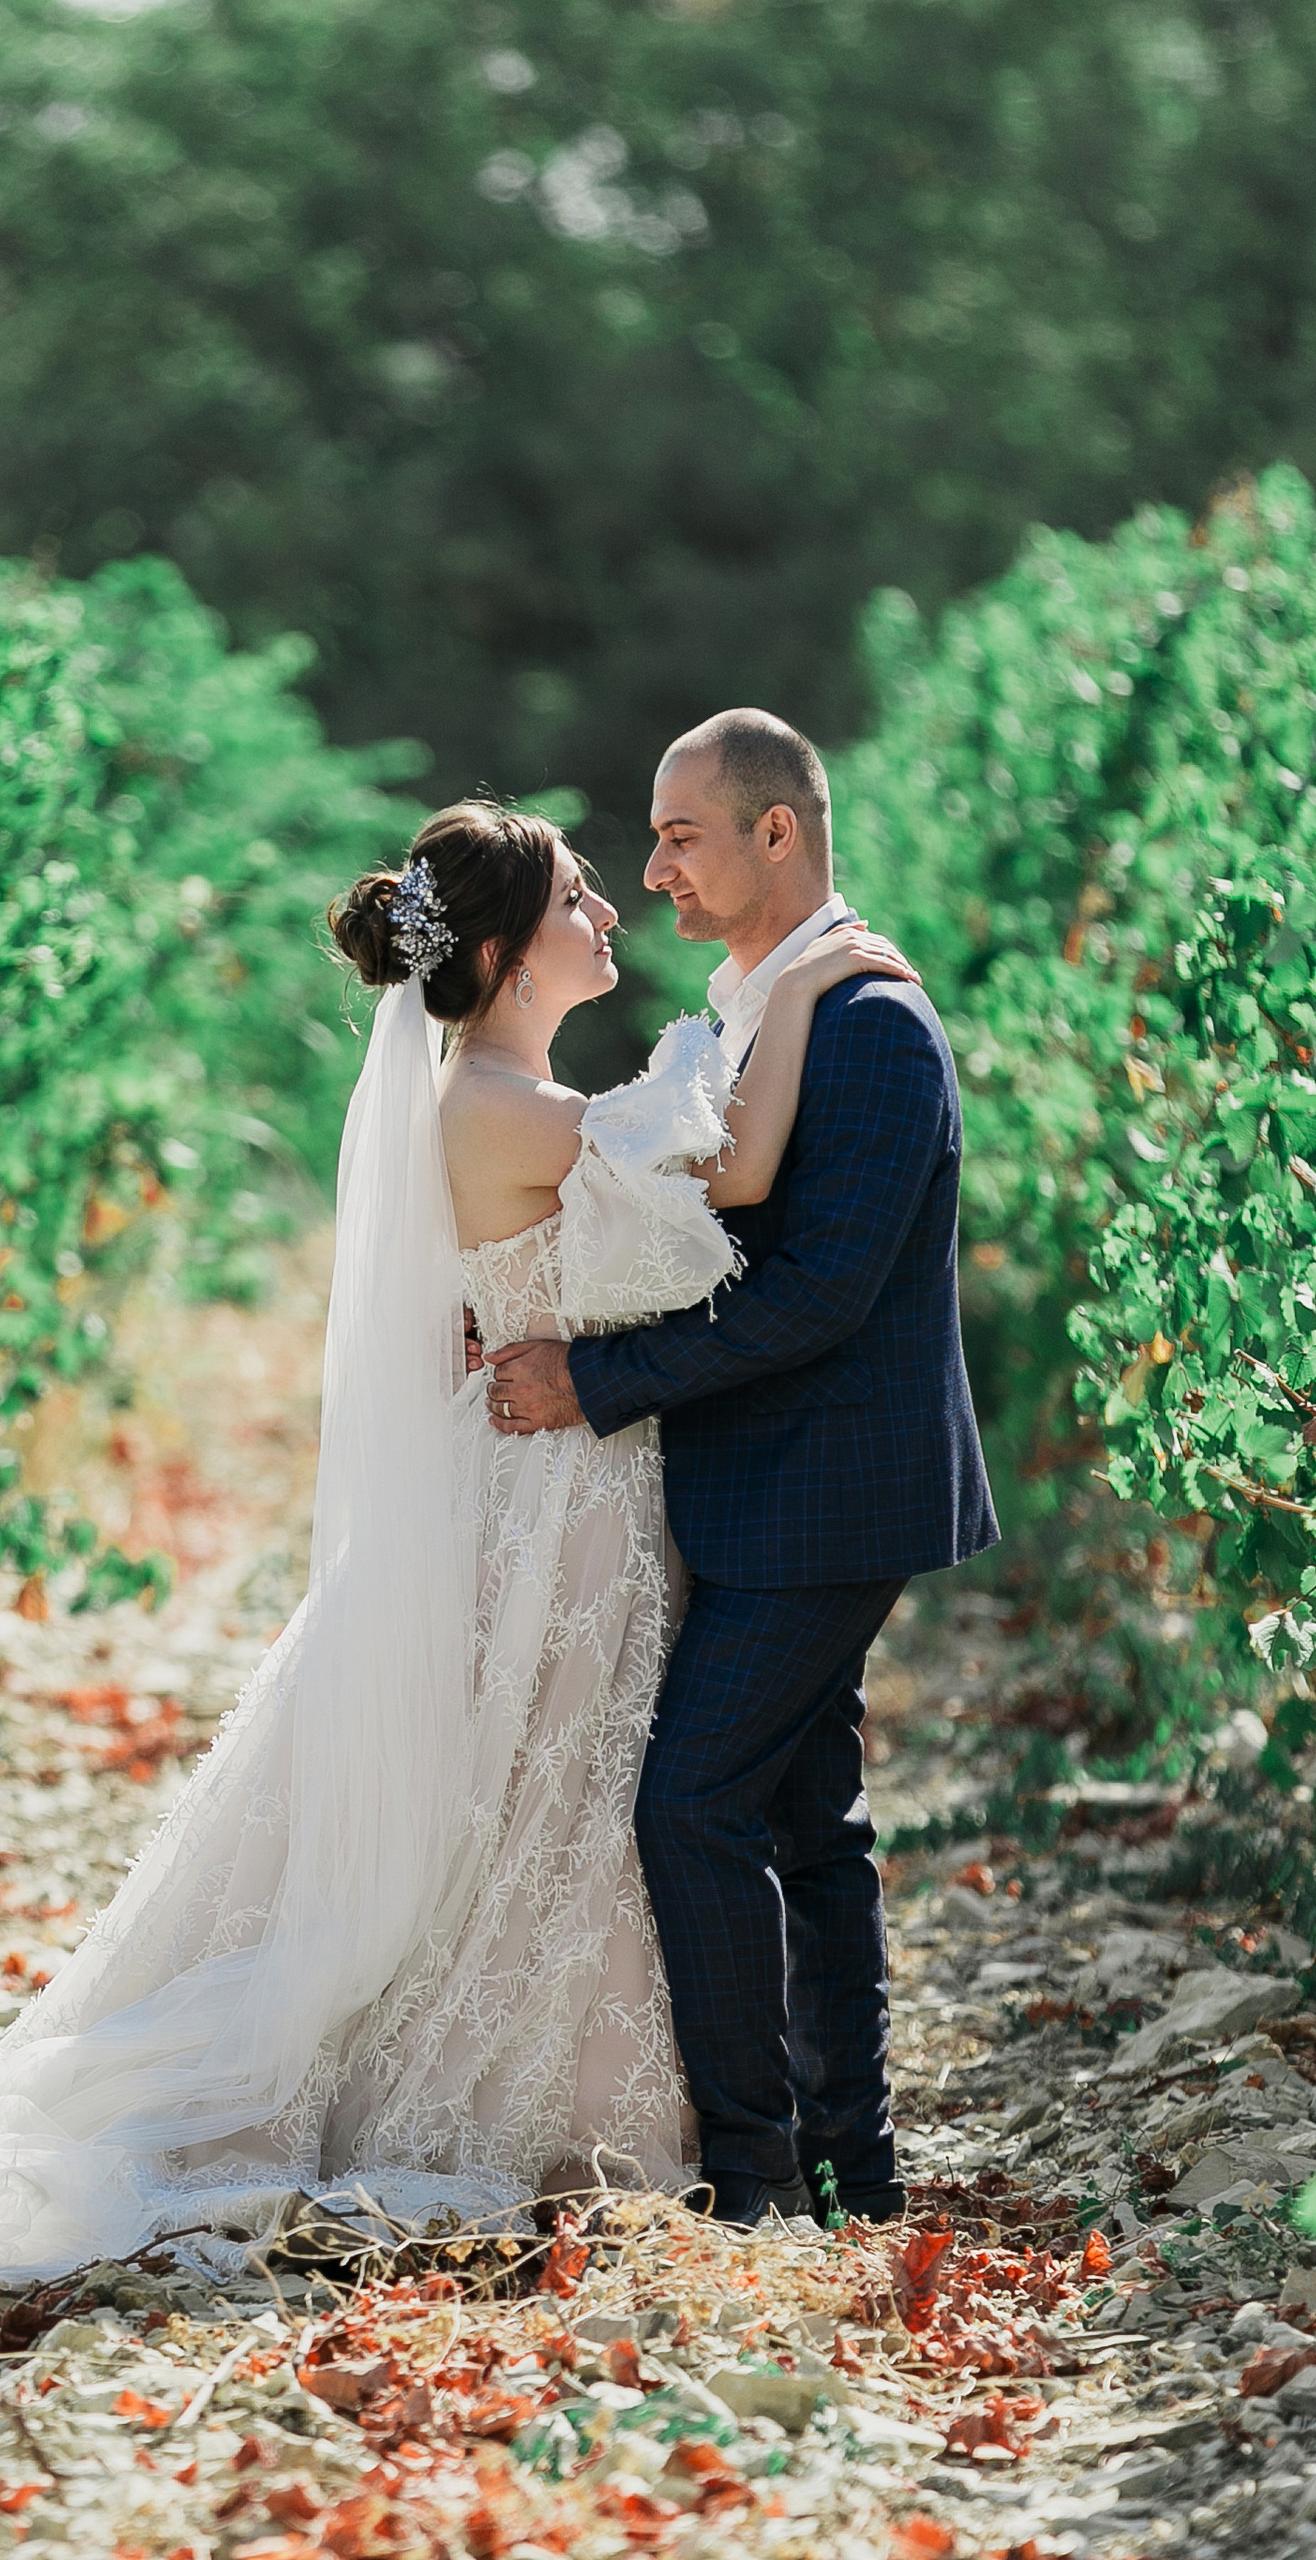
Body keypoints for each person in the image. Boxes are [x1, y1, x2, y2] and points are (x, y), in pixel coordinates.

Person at [0, 793, 913, 2320]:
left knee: (551, 1787)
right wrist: (802, 982)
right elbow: (729, 1174)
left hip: (573, 1489)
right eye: (582, 899)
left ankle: (654, 2097)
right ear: (507, 945)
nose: (610, 916)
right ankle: (561, 2101)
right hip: (542, 1504)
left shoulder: (519, 1093)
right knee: (528, 1780)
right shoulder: (489, 1105)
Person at [487, 710, 998, 2226]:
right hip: (763, 1484)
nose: (652, 873)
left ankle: (764, 2183)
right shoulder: (769, 999)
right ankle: (851, 2171)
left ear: (780, 831)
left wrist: (593, 1379)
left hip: (834, 1490)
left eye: (681, 834)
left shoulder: (870, 1023)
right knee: (801, 1816)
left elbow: (819, 1293)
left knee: (689, 1804)